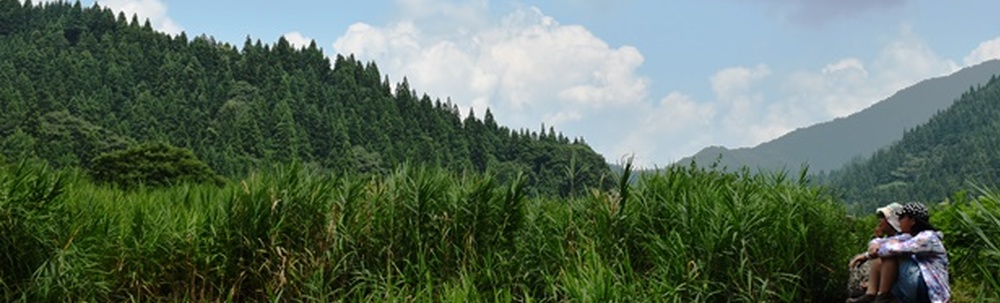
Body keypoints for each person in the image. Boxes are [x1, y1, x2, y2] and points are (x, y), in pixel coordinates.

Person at [848, 202, 950, 303]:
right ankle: (872, 294)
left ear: (912, 221)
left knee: (890, 254)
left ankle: (883, 296)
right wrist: (870, 250)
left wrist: (869, 254)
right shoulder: (909, 236)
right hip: (915, 286)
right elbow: (878, 242)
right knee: (881, 255)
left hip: (928, 290)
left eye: (901, 217)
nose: (899, 221)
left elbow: (893, 249)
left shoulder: (928, 237)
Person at [847, 203, 903, 299]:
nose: (879, 221)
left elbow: (875, 250)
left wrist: (866, 255)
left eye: (883, 217)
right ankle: (872, 291)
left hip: (900, 282)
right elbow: (873, 247)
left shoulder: (901, 239)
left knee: (884, 256)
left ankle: (880, 294)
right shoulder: (887, 239)